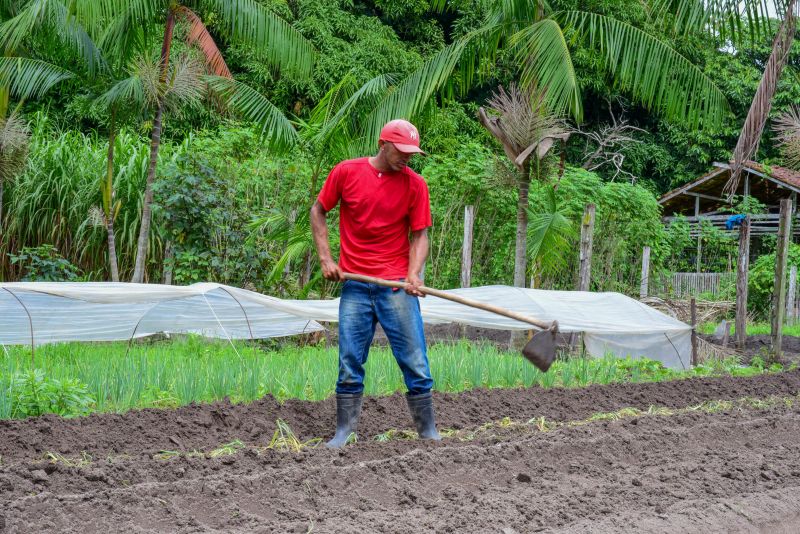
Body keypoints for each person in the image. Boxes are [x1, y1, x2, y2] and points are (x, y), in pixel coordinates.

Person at [310, 119, 441, 448]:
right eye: (402, 151)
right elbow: (318, 210)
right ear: (383, 144)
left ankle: (427, 431)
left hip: (395, 284)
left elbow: (421, 234)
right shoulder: (347, 172)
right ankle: (344, 431)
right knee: (349, 360)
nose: (407, 158)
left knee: (413, 358)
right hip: (355, 283)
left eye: (412, 153)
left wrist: (414, 274)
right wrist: (326, 259)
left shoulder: (415, 185)